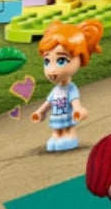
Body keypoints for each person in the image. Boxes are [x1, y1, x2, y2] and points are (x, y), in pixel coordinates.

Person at [30, 20, 102, 152]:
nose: (51, 70)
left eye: (61, 60)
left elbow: (75, 102)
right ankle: (57, 136)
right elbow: (48, 103)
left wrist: (78, 110)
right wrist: (40, 112)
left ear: (80, 59)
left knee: (68, 129)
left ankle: (70, 137)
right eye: (47, 61)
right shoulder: (55, 90)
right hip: (57, 116)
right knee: (56, 133)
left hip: (67, 116)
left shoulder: (71, 89)